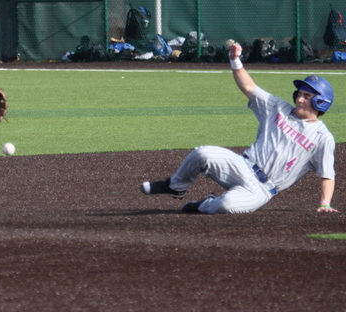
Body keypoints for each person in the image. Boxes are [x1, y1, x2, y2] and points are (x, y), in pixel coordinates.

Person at [140, 41, 338, 214]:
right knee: (203, 153)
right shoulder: (279, 108)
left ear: (321, 102)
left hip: (262, 189)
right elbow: (250, 87)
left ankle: (204, 205)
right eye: (300, 94)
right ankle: (176, 186)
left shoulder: (322, 137)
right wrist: (235, 60)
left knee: (226, 205)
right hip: (241, 165)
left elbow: (327, 174)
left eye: (307, 96)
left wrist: (325, 203)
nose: (300, 98)